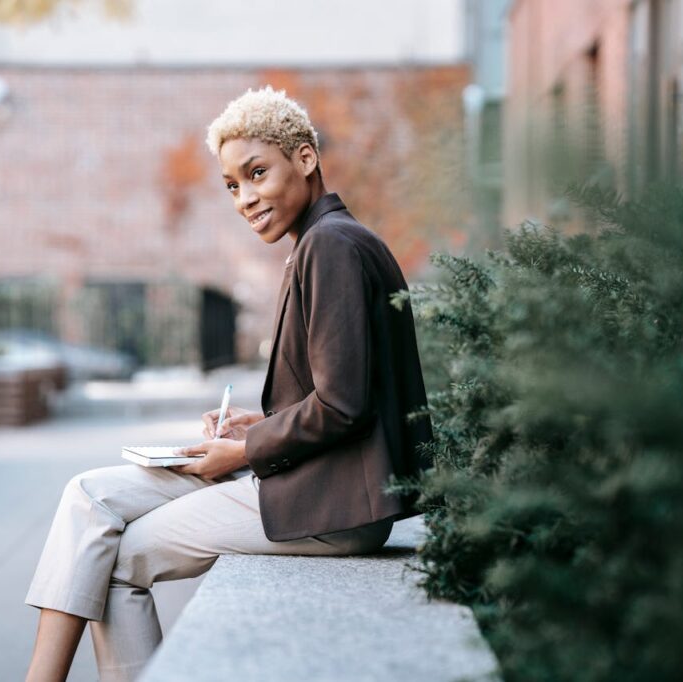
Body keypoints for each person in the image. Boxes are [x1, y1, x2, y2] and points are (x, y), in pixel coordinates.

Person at [23, 86, 432, 682]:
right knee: (90, 496)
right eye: (232, 186)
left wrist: (242, 451)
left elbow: (344, 404)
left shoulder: (333, 247)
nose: (245, 198)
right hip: (317, 482)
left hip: (333, 505)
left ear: (306, 159)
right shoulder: (325, 242)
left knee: (115, 559)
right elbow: (337, 391)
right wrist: (255, 427)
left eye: (257, 173)